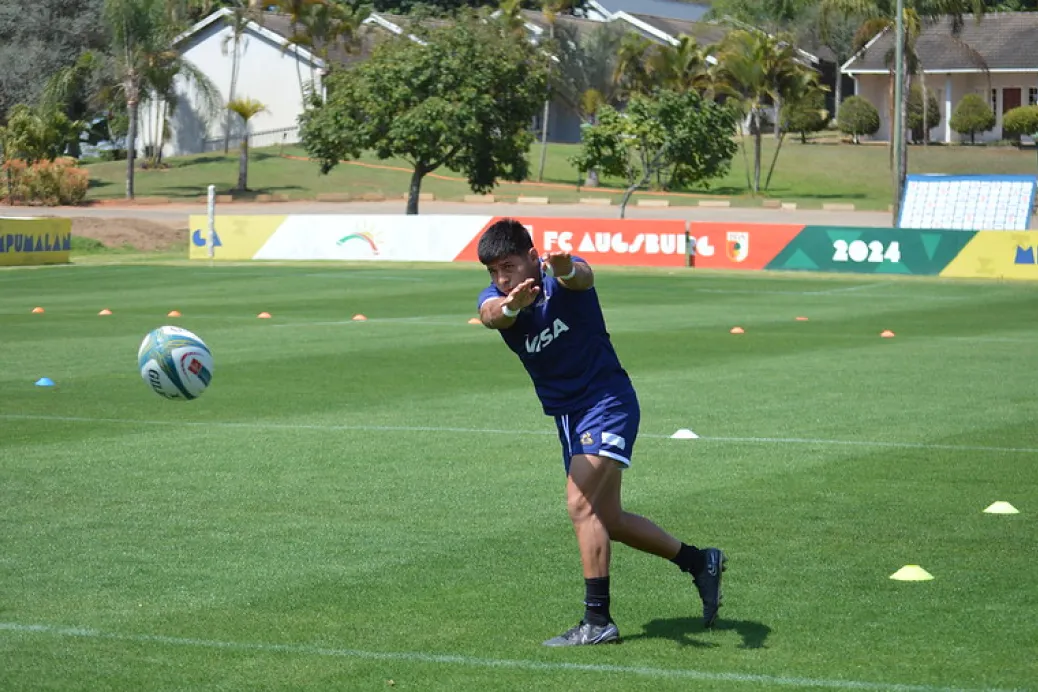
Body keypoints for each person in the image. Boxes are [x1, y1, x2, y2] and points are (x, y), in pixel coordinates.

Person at [474, 218, 727, 647]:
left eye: (509, 266)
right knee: (607, 518)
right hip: (568, 419)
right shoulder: (500, 298)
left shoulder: (564, 281)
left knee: (579, 505)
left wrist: (565, 267)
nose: (502, 278)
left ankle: (598, 621)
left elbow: (583, 276)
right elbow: (490, 316)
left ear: (534, 257)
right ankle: (699, 562)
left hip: (607, 404)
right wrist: (511, 303)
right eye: (494, 271)